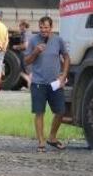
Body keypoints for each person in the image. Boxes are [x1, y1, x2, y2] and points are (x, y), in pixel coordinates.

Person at [24, 16, 70, 153]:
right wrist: (35, 52)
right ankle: (41, 142)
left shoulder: (58, 40)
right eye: (41, 27)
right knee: (39, 112)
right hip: (38, 82)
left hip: (55, 83)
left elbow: (67, 57)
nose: (43, 30)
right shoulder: (33, 40)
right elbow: (26, 61)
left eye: (46, 27)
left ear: (51, 28)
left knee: (61, 111)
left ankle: (52, 137)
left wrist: (64, 75)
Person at [13, 20, 32, 87]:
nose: (19, 27)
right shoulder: (29, 33)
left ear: (24, 26)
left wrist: (16, 47)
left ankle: (30, 83)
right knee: (28, 72)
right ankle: (30, 85)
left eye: (20, 25)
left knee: (20, 71)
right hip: (29, 55)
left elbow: (25, 45)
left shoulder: (25, 34)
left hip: (25, 55)